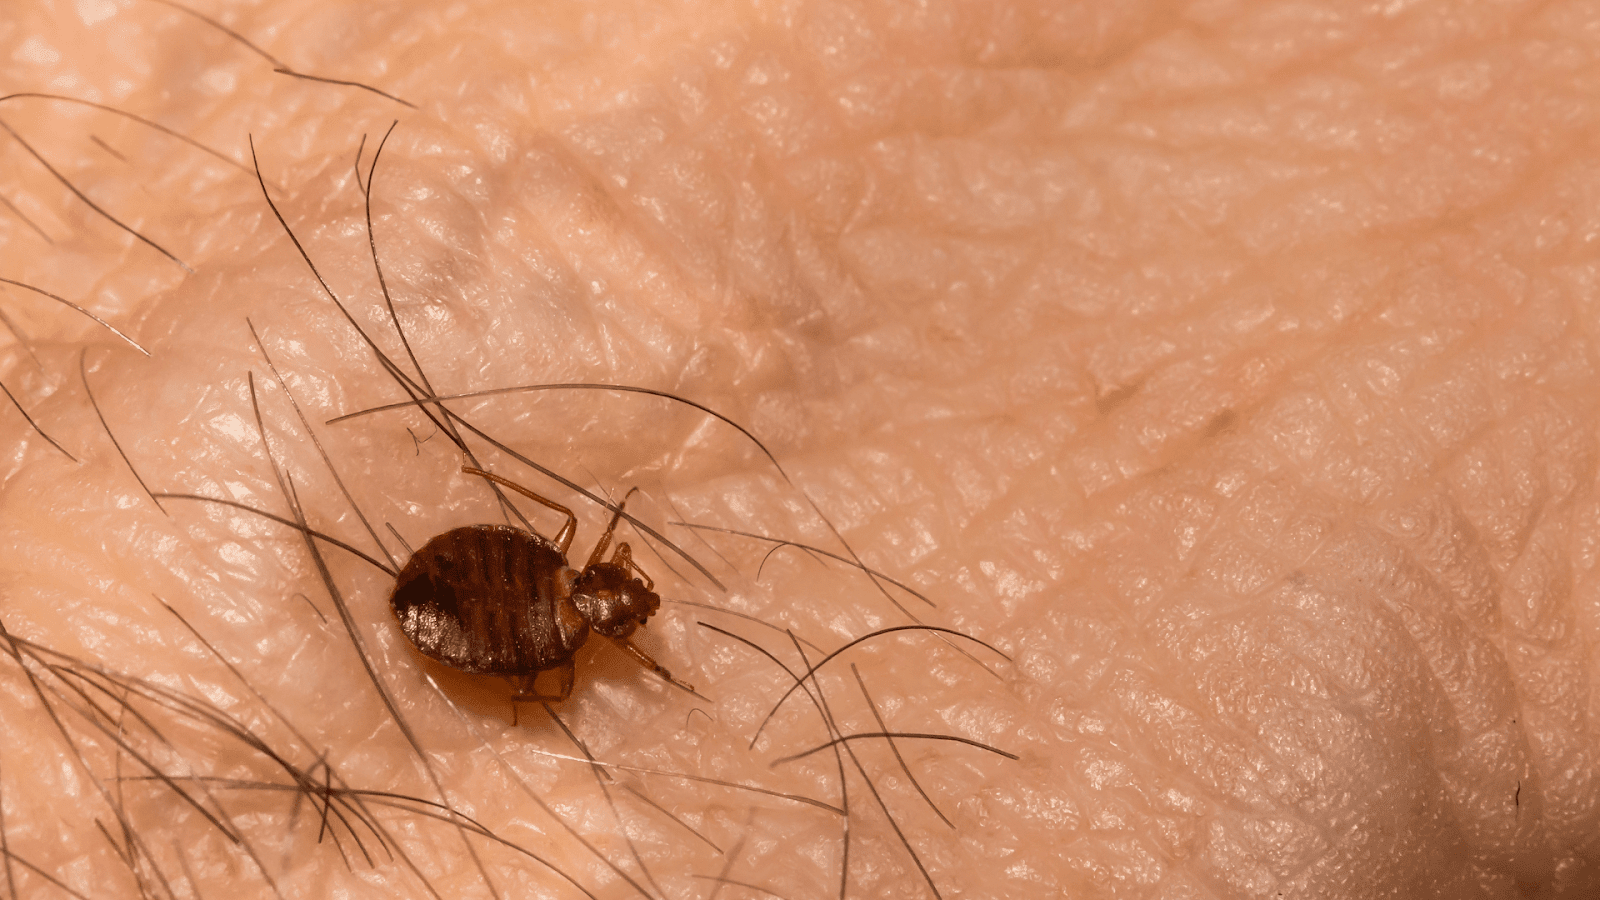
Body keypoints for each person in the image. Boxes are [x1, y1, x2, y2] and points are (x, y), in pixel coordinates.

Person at [2, 0, 1596, 897]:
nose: (622, 595)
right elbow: (514, 641)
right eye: (619, 584)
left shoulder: (549, 606)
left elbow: (516, 640)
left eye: (613, 594)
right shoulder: (552, 607)